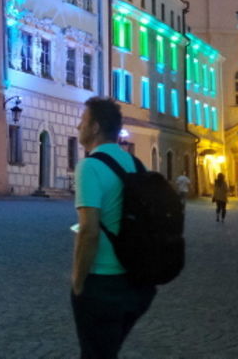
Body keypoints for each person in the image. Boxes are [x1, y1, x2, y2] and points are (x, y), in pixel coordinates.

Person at [71, 97, 156, 359]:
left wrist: (77, 280)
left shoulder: (90, 166)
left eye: (82, 121)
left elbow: (89, 231)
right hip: (136, 283)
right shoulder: (136, 164)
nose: (78, 127)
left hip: (103, 282)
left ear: (95, 127)